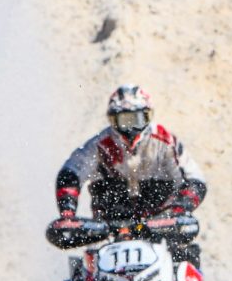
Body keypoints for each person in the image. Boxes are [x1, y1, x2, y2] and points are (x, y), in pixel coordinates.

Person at [52, 83, 208, 264]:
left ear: (148, 116)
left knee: (186, 263)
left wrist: (181, 209)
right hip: (110, 230)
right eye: (124, 120)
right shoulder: (98, 145)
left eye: (137, 119)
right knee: (85, 273)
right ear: (112, 120)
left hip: (161, 225)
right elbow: (70, 174)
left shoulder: (165, 141)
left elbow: (195, 180)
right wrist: (68, 214)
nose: (131, 128)